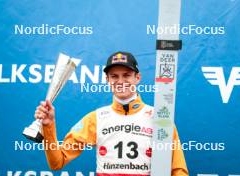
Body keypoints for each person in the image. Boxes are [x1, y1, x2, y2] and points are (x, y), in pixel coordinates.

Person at [35, 51, 189, 176]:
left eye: (127, 75)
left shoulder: (159, 118)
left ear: (138, 78)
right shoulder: (96, 118)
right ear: (107, 79)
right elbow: (57, 162)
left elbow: (178, 170)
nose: (121, 81)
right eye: (114, 76)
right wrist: (49, 127)